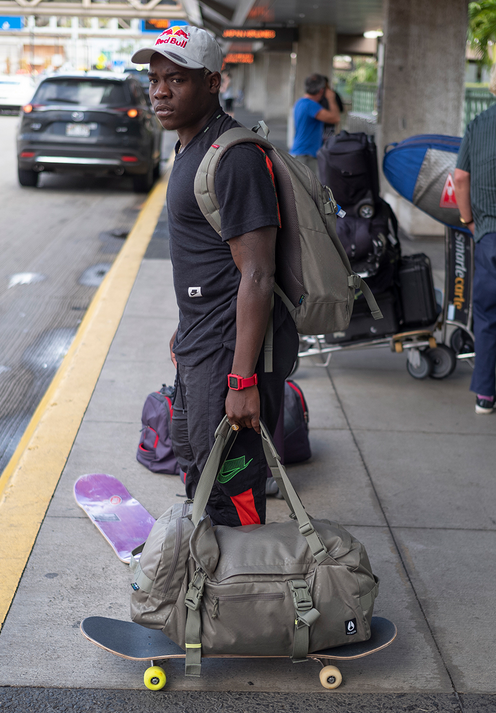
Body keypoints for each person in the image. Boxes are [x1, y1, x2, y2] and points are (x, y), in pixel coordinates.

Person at [131, 27, 298, 525]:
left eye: (175, 79)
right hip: (199, 346)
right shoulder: (189, 148)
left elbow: (259, 275)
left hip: (228, 354)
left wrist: (242, 378)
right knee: (195, 462)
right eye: (154, 79)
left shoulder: (234, 158)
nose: (160, 91)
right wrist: (186, 327)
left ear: (211, 82)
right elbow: (209, 260)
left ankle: (243, 589)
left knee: (232, 488)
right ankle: (212, 582)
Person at [454, 63, 496, 415]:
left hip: (489, 236)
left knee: (487, 315)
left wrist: (468, 220)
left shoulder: (478, 124)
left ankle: (485, 395)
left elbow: (460, 178)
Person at [290, 73, 341, 177]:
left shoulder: (300, 102)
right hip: (306, 156)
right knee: (309, 190)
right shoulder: (311, 105)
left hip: (301, 153)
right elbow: (335, 118)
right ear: (322, 90)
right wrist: (331, 98)